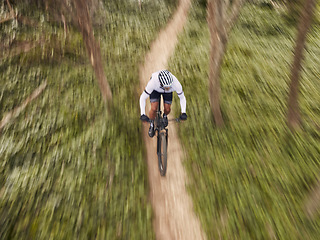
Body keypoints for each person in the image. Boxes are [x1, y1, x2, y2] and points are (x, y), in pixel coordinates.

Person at [139, 70, 187, 137]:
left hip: (168, 93)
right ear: (161, 83)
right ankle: (152, 124)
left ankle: (165, 116)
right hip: (155, 90)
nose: (168, 88)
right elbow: (143, 98)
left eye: (169, 86)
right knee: (154, 108)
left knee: (167, 108)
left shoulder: (176, 83)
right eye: (166, 87)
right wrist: (143, 114)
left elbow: (182, 98)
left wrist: (183, 112)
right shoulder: (153, 83)